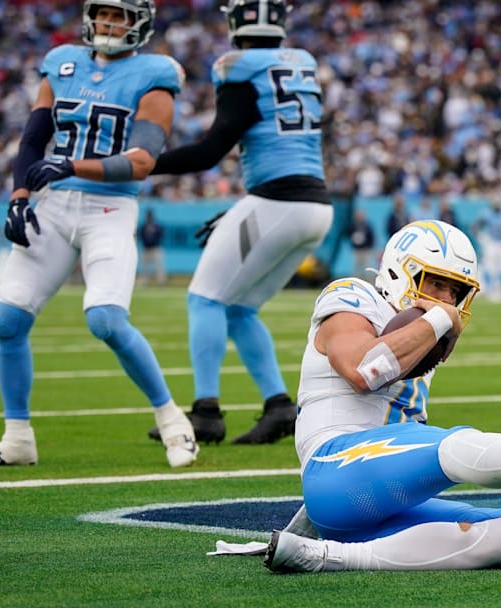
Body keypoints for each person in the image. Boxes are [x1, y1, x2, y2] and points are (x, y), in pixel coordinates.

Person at [259, 219, 501, 573]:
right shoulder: (353, 297)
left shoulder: (421, 336)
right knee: (448, 442)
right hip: (333, 471)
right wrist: (439, 318)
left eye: (455, 292)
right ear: (398, 272)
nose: (446, 299)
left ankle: (331, 556)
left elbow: (402, 434)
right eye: (435, 284)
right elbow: (363, 371)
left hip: (377, 499)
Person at [0, 0, 198, 468]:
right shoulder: (62, 63)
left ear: (141, 25)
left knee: (107, 320)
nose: (109, 24)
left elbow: (143, 161)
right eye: (104, 14)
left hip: (109, 206)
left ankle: (174, 422)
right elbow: (32, 140)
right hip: (52, 202)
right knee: (7, 321)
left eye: (121, 16)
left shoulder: (155, 74)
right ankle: (17, 438)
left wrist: (71, 164)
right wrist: (18, 195)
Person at [145, 0, 334, 445]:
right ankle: (279, 407)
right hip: (312, 205)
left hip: (278, 201)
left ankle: (205, 412)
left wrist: (144, 164)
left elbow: (213, 148)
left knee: (205, 300)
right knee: (239, 309)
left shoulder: (239, 66)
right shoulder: (302, 64)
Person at [137, 208, 165, 286]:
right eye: (148, 215)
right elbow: (140, 236)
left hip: (155, 248)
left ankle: (161, 282)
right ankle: (144, 282)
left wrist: (154, 242)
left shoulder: (156, 226)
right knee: (144, 268)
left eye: (150, 215)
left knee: (159, 267)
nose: (149, 217)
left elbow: (161, 235)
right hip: (146, 249)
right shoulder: (144, 226)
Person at [349, 208, 375, 277]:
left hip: (366, 249)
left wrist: (370, 247)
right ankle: (354, 283)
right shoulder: (353, 226)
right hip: (357, 250)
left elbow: (371, 237)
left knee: (368, 267)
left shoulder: (367, 226)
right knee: (356, 268)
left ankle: (370, 283)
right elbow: (350, 235)